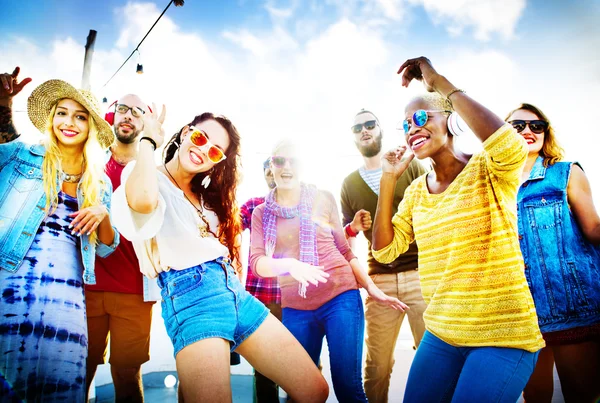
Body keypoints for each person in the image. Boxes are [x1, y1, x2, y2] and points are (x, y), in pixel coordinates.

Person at [111, 109, 329, 402]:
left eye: (214, 151)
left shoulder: (206, 195)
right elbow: (143, 201)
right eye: (200, 137)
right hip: (192, 298)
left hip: (234, 293)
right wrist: (148, 141)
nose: (203, 150)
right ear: (186, 131)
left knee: (314, 390)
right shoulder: (146, 174)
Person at [371, 57, 545, 402]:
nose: (412, 128)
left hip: (502, 334)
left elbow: (511, 145)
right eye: (405, 124)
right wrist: (389, 178)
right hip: (442, 333)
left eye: (421, 117)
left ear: (450, 120)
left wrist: (438, 81)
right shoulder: (417, 192)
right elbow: (384, 250)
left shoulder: (487, 168)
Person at [250, 140, 407, 402]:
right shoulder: (260, 213)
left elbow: (345, 251)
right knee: (300, 391)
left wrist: (370, 286)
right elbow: (257, 262)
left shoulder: (323, 198)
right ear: (271, 165)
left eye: (294, 161)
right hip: (296, 308)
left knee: (348, 388)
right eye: (279, 161)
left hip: (340, 298)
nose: (287, 167)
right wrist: (289, 265)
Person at [0, 68, 119, 401]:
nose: (69, 122)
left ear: (91, 128)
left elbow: (108, 247)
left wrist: (103, 214)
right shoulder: (20, 156)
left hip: (66, 295)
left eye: (80, 117)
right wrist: (2, 106)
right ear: (51, 119)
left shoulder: (100, 183)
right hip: (10, 282)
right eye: (62, 113)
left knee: (60, 384)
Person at [505, 103, 600, 403]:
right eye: (517, 125)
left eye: (537, 125)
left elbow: (594, 229)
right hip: (522, 312)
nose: (528, 131)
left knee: (582, 394)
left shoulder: (565, 173)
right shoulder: (495, 185)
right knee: (535, 396)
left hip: (573, 305)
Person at [341, 108, 427, 402]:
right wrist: (352, 228)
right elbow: (342, 240)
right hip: (379, 282)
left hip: (422, 277)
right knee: (376, 368)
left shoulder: (411, 166)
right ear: (353, 138)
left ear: (380, 130)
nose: (364, 130)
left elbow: (434, 207)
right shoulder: (349, 184)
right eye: (357, 128)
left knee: (432, 362)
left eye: (370, 124)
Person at [85, 94, 156, 402]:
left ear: (148, 123)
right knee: (79, 370)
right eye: (123, 109)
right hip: (86, 284)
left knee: (127, 376)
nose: (128, 115)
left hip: (135, 289)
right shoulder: (90, 160)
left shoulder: (156, 169)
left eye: (138, 112)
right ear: (112, 115)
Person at [240, 158, 282, 403]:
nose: (270, 170)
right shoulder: (254, 205)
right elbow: (229, 226)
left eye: (274, 164)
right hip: (261, 300)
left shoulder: (306, 206)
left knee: (306, 360)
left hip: (296, 300)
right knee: (264, 367)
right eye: (265, 167)